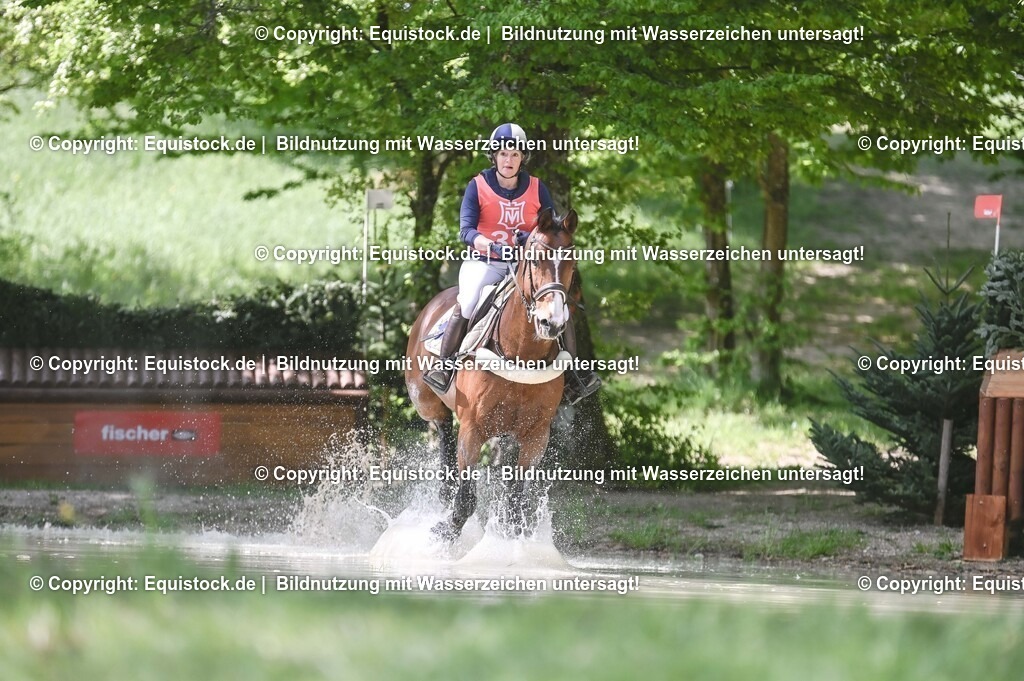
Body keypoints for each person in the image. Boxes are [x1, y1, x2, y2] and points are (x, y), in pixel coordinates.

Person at [423, 123, 601, 404]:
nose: (509, 160)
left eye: (515, 154)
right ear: (494, 157)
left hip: (527, 265)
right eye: (504, 154)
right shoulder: (477, 186)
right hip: (485, 261)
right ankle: (445, 367)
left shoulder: (537, 188)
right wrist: (492, 246)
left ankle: (574, 376)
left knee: (558, 306)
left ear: (522, 158)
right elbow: (466, 231)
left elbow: (552, 228)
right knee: (468, 301)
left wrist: (529, 239)